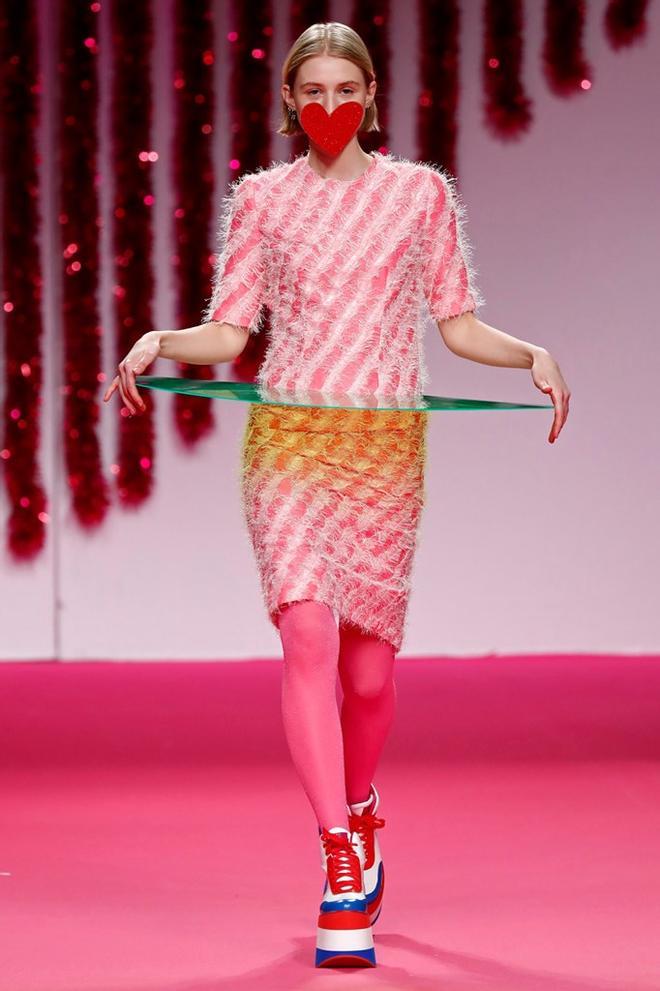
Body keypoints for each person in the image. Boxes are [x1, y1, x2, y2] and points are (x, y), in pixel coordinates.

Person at [104, 21, 570, 970]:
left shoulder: (418, 194)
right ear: (289, 101)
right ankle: (339, 859)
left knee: (368, 678)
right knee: (307, 633)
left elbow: (457, 325)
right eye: (310, 91)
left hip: (383, 452)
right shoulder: (263, 199)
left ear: (370, 96)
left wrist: (530, 354)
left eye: (343, 89)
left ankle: (362, 804)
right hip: (289, 443)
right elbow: (230, 333)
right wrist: (160, 341)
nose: (328, 106)